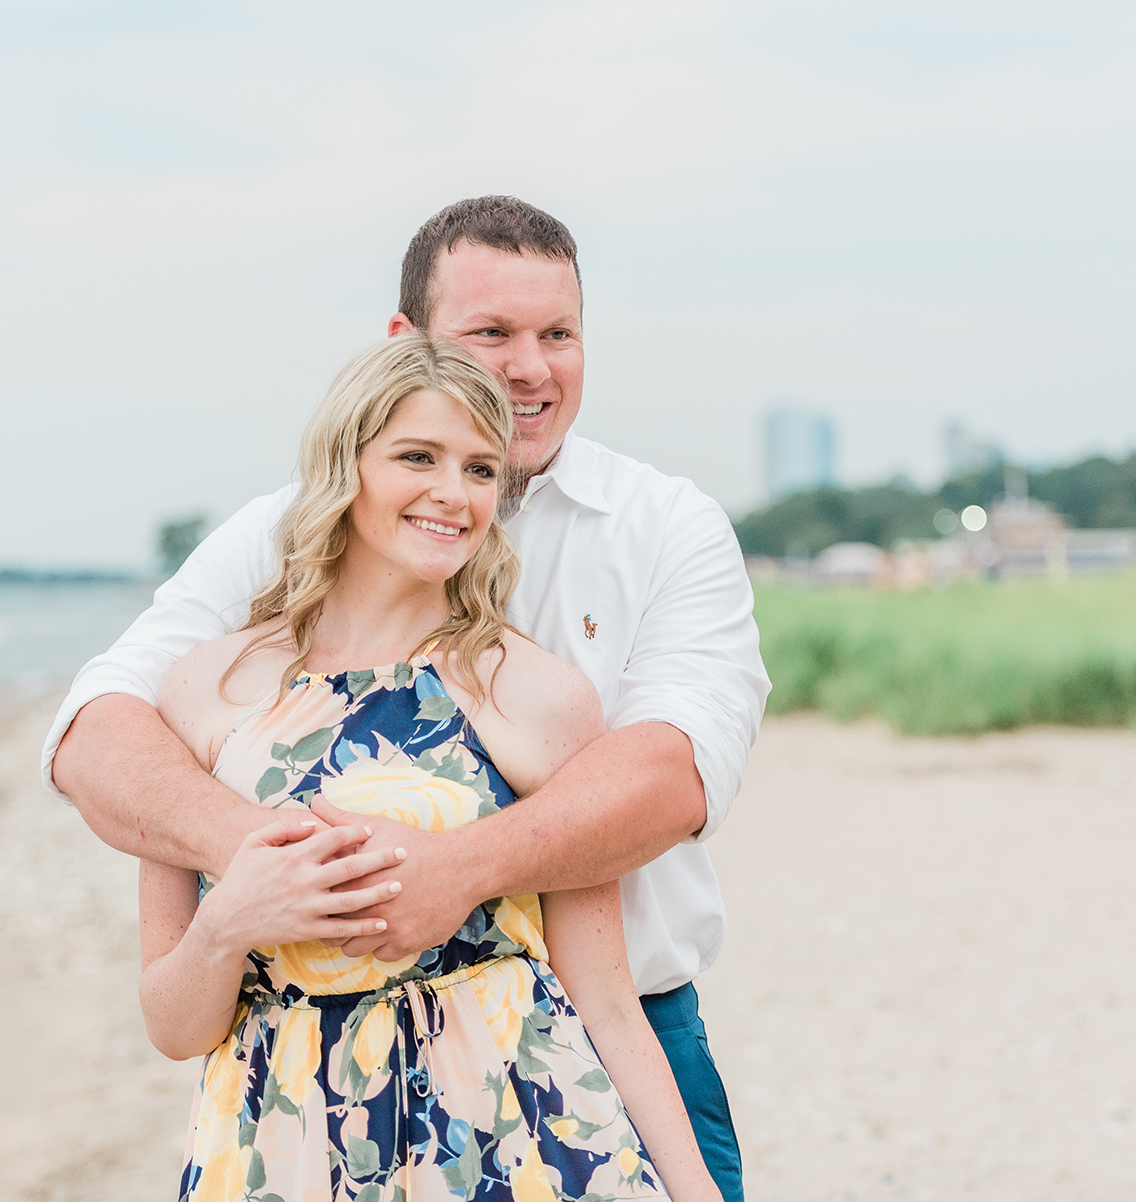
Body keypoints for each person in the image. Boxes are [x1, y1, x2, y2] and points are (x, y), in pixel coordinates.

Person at [45, 196, 768, 1200]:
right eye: (491, 333)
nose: (529, 366)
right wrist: (248, 871)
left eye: (558, 332)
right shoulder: (230, 629)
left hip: (569, 1065)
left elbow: (672, 777)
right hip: (289, 1128)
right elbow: (98, 733)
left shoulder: (653, 538)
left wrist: (457, 869)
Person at [143, 333, 720, 1200]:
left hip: (518, 1139)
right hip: (281, 1150)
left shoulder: (531, 694)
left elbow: (604, 1000)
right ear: (346, 466)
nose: (454, 495)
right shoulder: (204, 691)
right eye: (419, 457)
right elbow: (176, 1027)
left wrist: (697, 1192)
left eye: (482, 470)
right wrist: (228, 922)